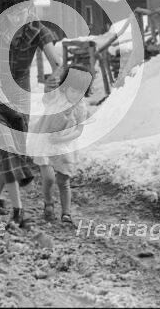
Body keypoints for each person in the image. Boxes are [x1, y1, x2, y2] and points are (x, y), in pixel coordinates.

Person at [0, 0, 62, 227]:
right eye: (14, 13)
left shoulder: (37, 30)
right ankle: (18, 210)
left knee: (14, 150)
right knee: (5, 146)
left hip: (20, 96)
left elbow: (56, 59)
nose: (19, 17)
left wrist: (60, 77)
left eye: (23, 11)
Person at [32, 65, 91, 224]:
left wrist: (62, 140)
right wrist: (48, 85)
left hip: (65, 145)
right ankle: (49, 203)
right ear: (65, 87)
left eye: (80, 92)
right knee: (49, 178)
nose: (76, 95)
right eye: (73, 90)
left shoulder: (81, 107)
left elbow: (79, 131)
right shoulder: (57, 97)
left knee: (64, 180)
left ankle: (66, 213)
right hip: (45, 141)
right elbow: (47, 97)